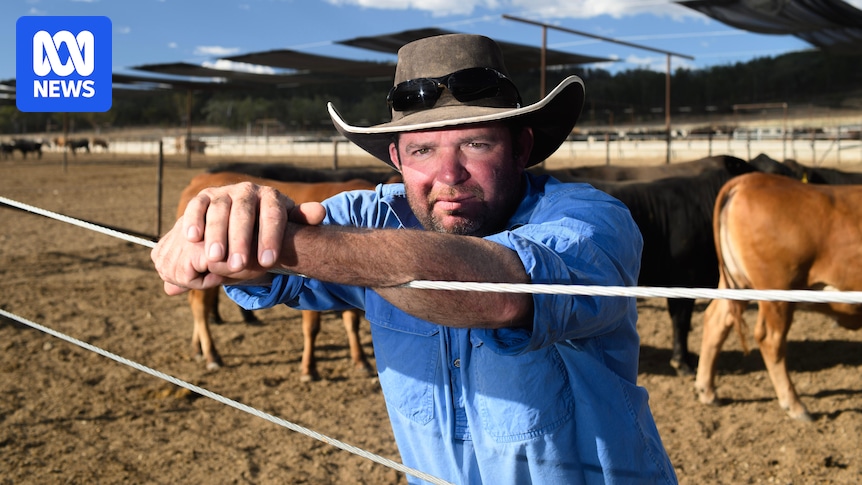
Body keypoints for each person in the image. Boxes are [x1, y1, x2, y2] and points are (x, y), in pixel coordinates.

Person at [151, 34, 678, 484]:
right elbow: (265, 268)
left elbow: (497, 292)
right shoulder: (370, 215)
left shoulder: (592, 222)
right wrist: (227, 219)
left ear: (521, 149)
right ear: (397, 158)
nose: (449, 176)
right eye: (423, 151)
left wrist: (276, 241)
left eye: (475, 144)